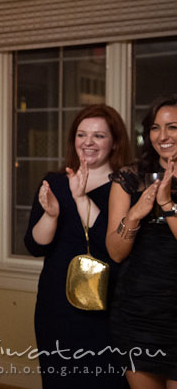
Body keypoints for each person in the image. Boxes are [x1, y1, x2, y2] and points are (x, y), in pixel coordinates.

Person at [24, 105, 132, 388]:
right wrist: (51, 215)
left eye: (99, 135)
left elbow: (113, 249)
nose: (88, 142)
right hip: (56, 304)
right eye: (82, 134)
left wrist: (82, 198)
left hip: (106, 305)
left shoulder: (125, 186)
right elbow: (35, 246)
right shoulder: (55, 181)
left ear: (114, 142)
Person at [106, 94, 177, 388]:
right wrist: (134, 215)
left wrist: (168, 205)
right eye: (154, 128)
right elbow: (116, 252)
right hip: (138, 312)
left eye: (172, 127)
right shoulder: (130, 177)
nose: (162, 136)